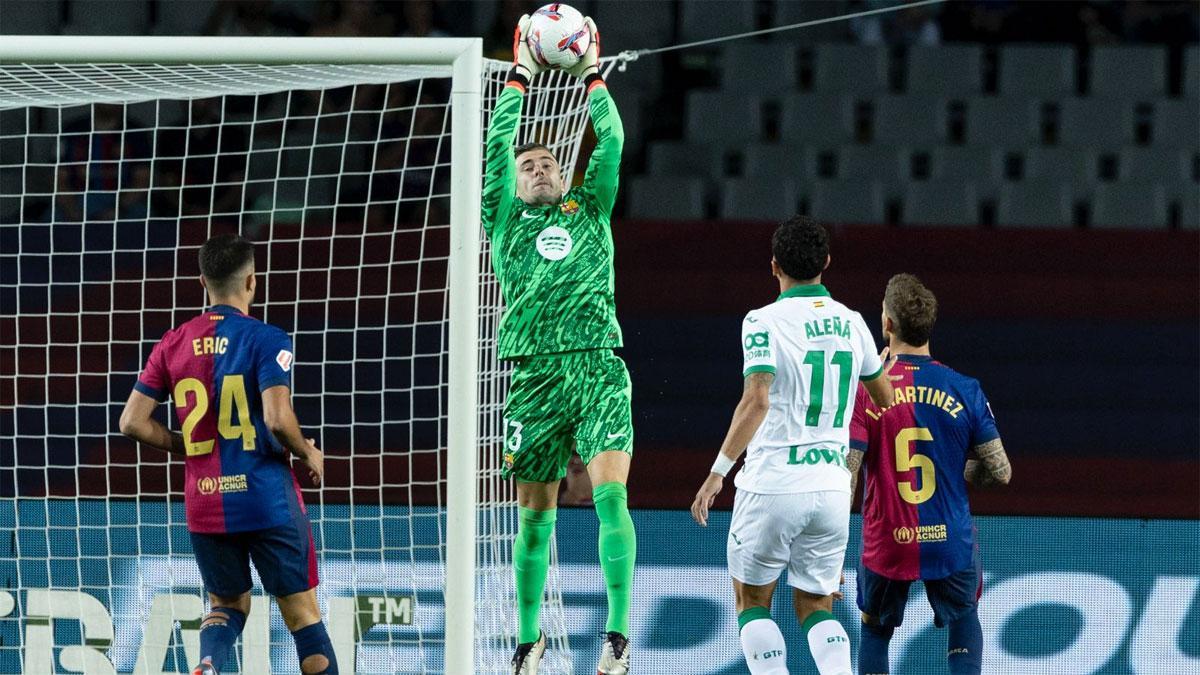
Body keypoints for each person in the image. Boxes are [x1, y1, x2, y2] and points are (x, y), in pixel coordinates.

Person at [482, 14, 634, 675]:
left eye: (548, 161)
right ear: (513, 182)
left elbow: (616, 141)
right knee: (535, 516)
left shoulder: (589, 209)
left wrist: (592, 74)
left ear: (564, 174)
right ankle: (527, 638)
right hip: (533, 377)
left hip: (598, 364)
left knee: (610, 496)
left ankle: (618, 636)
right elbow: (496, 144)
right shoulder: (504, 220)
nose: (539, 165)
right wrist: (520, 74)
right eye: (529, 163)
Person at [118, 234, 335, 675]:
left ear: (203, 281)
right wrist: (307, 451)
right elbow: (277, 418)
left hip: (206, 498)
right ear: (253, 281)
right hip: (264, 495)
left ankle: (209, 662)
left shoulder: (172, 343)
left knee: (227, 604)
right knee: (302, 614)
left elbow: (131, 422)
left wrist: (190, 444)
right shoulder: (266, 338)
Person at [692, 216, 896, 675]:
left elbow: (757, 399)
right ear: (826, 262)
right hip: (831, 488)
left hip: (773, 484)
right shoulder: (852, 322)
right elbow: (883, 399)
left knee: (752, 600)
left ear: (773, 267)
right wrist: (874, 369)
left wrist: (717, 473)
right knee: (816, 605)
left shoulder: (761, 321)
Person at [847, 274, 1012, 675]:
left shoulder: (866, 391)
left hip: (887, 541)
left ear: (886, 324)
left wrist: (831, 543)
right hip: (948, 538)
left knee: (874, 631)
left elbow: (847, 472)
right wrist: (956, 467)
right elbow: (1001, 471)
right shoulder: (964, 387)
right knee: (963, 616)